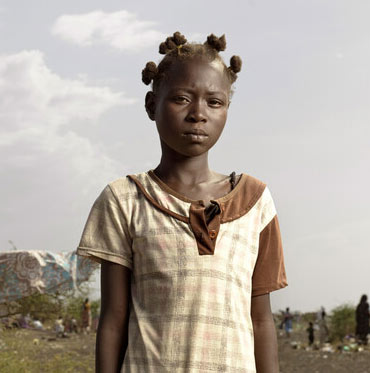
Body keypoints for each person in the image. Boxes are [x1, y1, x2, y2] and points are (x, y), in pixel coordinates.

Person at [77, 31, 288, 373]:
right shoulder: (125, 199)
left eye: (214, 102)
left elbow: (261, 322)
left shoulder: (255, 201)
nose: (198, 114)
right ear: (151, 106)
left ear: (227, 110)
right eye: (181, 99)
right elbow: (113, 320)